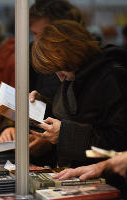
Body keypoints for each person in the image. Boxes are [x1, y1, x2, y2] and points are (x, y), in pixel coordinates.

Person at [30, 20, 127, 167]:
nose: (60, 77)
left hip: (107, 176)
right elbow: (77, 118)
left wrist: (65, 135)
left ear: (73, 54)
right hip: (81, 172)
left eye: (61, 69)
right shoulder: (77, 75)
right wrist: (41, 105)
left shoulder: (112, 77)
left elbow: (118, 144)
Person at [0, 0, 84, 165]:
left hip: (70, 161)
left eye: (44, 34)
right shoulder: (31, 53)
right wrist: (11, 126)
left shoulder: (87, 65)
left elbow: (90, 127)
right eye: (34, 34)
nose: (38, 41)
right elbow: (19, 99)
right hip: (41, 154)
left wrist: (51, 141)